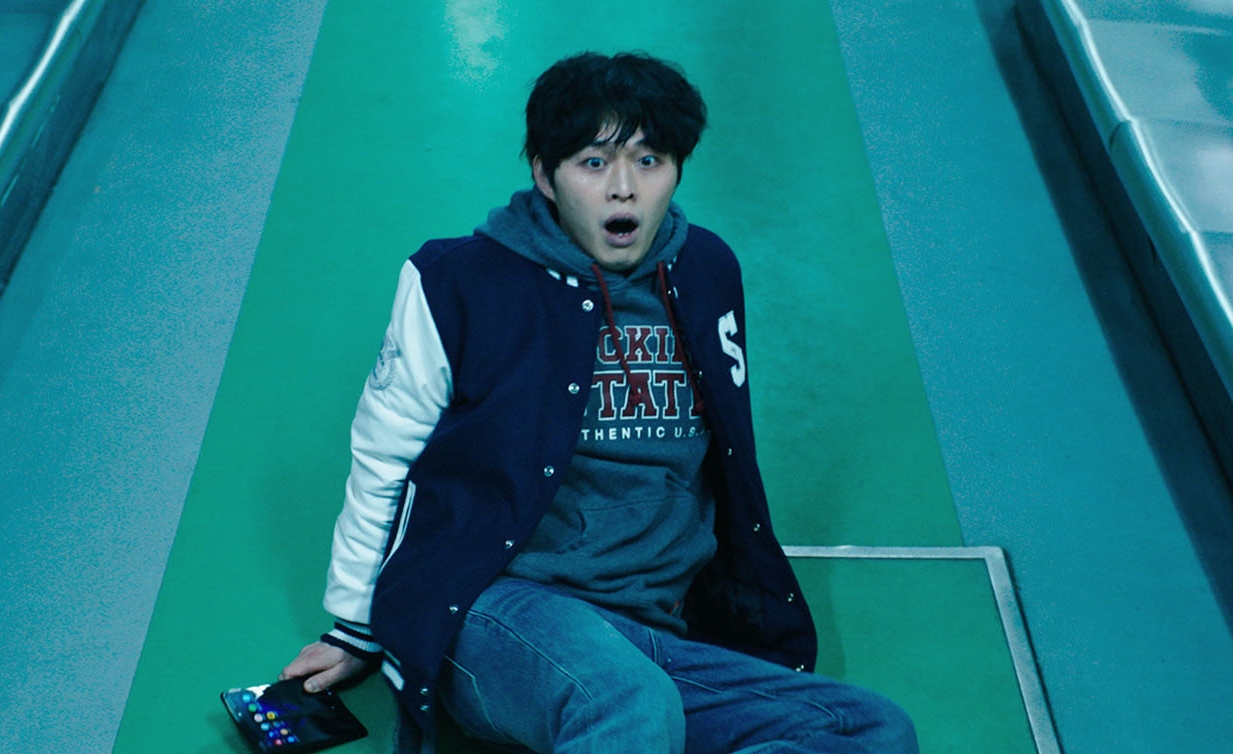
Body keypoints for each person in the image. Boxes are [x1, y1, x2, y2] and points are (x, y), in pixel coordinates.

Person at [281, 51, 918, 754]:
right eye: (593, 163)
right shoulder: (457, 282)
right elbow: (385, 454)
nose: (624, 189)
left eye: (649, 161)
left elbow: (723, 461)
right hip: (500, 609)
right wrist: (354, 626)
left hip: (653, 624)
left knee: (870, 729)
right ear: (544, 174)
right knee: (630, 702)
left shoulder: (706, 270)